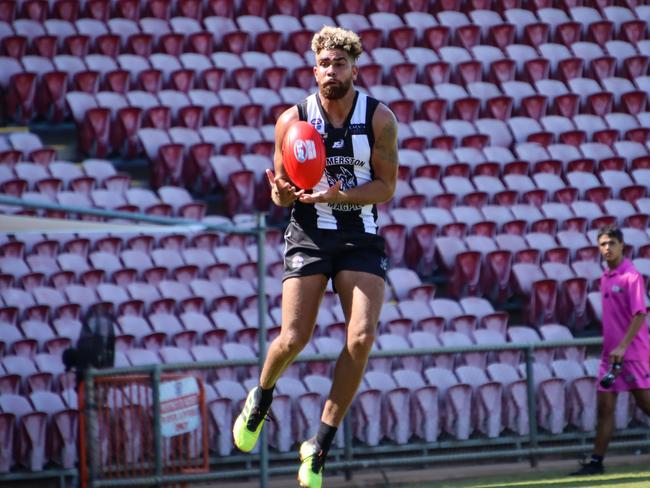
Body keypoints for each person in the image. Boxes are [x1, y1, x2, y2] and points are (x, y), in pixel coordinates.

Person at [232, 26, 398, 487]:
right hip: (308, 233)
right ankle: (260, 399)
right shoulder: (293, 120)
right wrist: (281, 192)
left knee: (361, 338)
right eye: (324, 64)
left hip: (359, 234)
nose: (331, 71)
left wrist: (339, 195)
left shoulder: (380, 120)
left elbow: (387, 186)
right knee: (294, 337)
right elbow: (282, 195)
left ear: (355, 68)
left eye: (339, 63)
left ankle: (318, 445)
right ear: (314, 69)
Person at [570, 225, 650, 476]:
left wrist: (624, 345)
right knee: (604, 408)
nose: (607, 248)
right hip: (610, 356)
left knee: (647, 406)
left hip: (633, 353)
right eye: (603, 244)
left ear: (621, 245)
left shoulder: (631, 276)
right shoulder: (605, 278)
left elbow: (640, 314)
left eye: (611, 243)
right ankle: (596, 463)